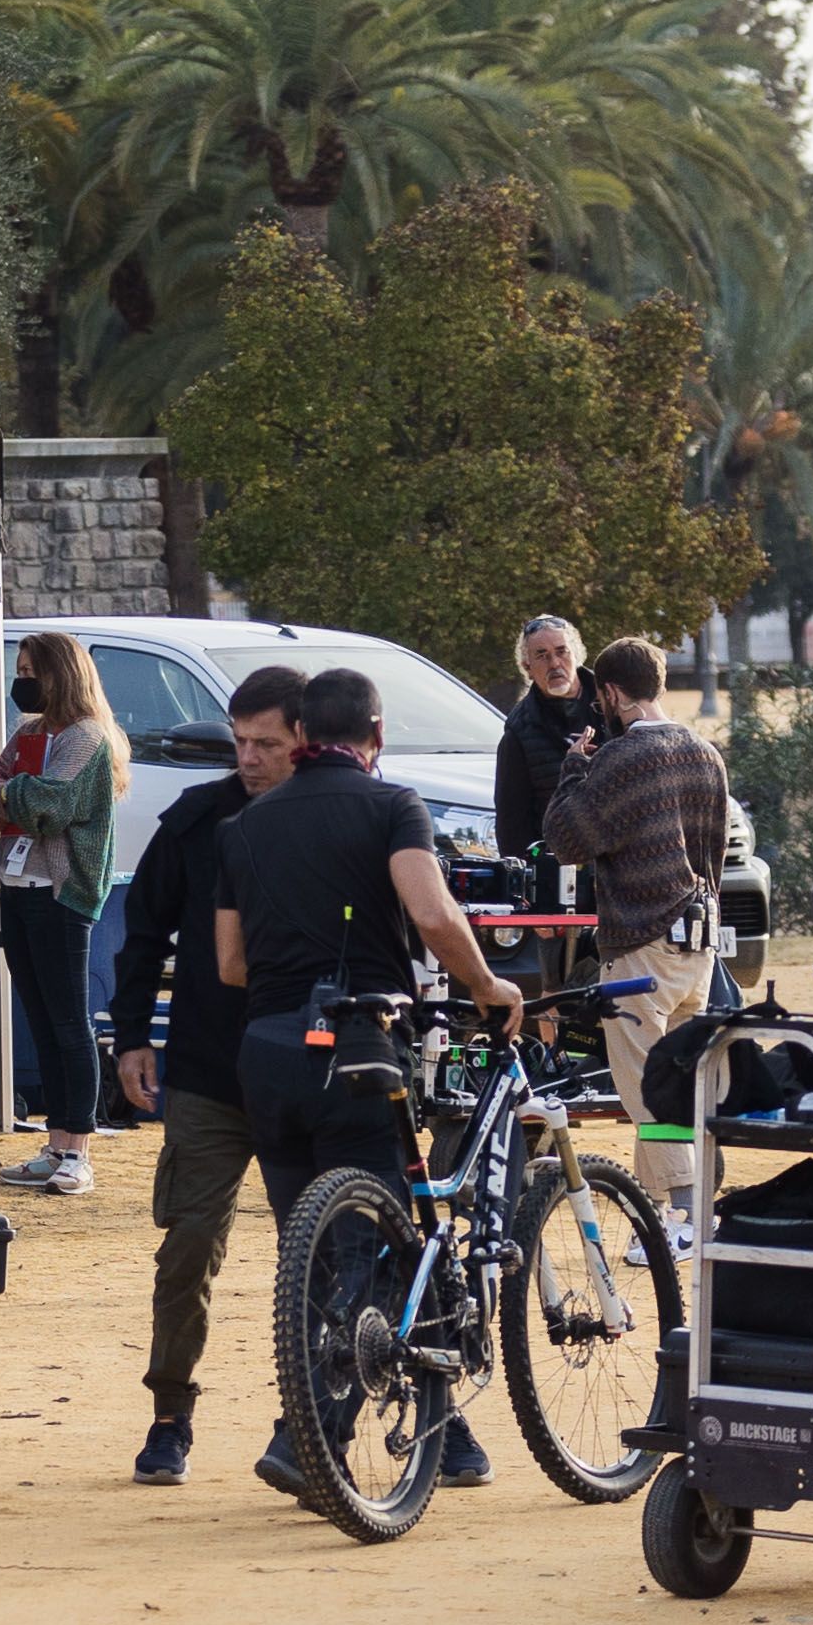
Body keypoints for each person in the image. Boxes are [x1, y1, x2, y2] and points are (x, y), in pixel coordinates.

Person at [217, 666, 523, 1496]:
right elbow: (431, 913)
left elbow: (230, 962)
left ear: (305, 734)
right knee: (374, 1247)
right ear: (376, 735)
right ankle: (307, 1431)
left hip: (268, 1051)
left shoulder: (243, 826)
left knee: (310, 1253)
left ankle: (442, 1428)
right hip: (354, 1047)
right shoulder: (393, 805)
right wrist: (488, 986)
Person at [108, 664, 309, 1486]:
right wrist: (131, 1039)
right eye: (240, 741)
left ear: (307, 740)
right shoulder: (197, 818)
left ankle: (315, 1414)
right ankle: (169, 1415)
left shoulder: (337, 819)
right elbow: (142, 931)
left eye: (267, 742)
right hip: (206, 1069)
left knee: (326, 1250)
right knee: (188, 1248)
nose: (250, 757)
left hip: (307, 1072)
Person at [543, 636, 728, 1210]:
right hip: (696, 944)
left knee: (648, 1091)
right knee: (675, 1083)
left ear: (613, 693)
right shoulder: (706, 752)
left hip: (640, 944)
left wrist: (574, 768)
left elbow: (565, 838)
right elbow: (716, 853)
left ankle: (683, 1212)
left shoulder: (621, 759)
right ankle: (661, 1220)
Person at [0, 631, 129, 1195]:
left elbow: (50, 808)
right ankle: (54, 1143)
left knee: (69, 1023)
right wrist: (13, 790)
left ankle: (78, 1151)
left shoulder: (88, 738)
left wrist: (8, 791)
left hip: (60, 895)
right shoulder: (30, 732)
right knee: (41, 1019)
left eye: (28, 670)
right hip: (15, 887)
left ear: (59, 674)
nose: (21, 681)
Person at [496, 614, 597, 863]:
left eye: (562, 652)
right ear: (527, 667)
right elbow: (512, 823)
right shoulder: (519, 731)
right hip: (560, 867)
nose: (554, 663)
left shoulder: (614, 705)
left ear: (577, 655)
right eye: (541, 655)